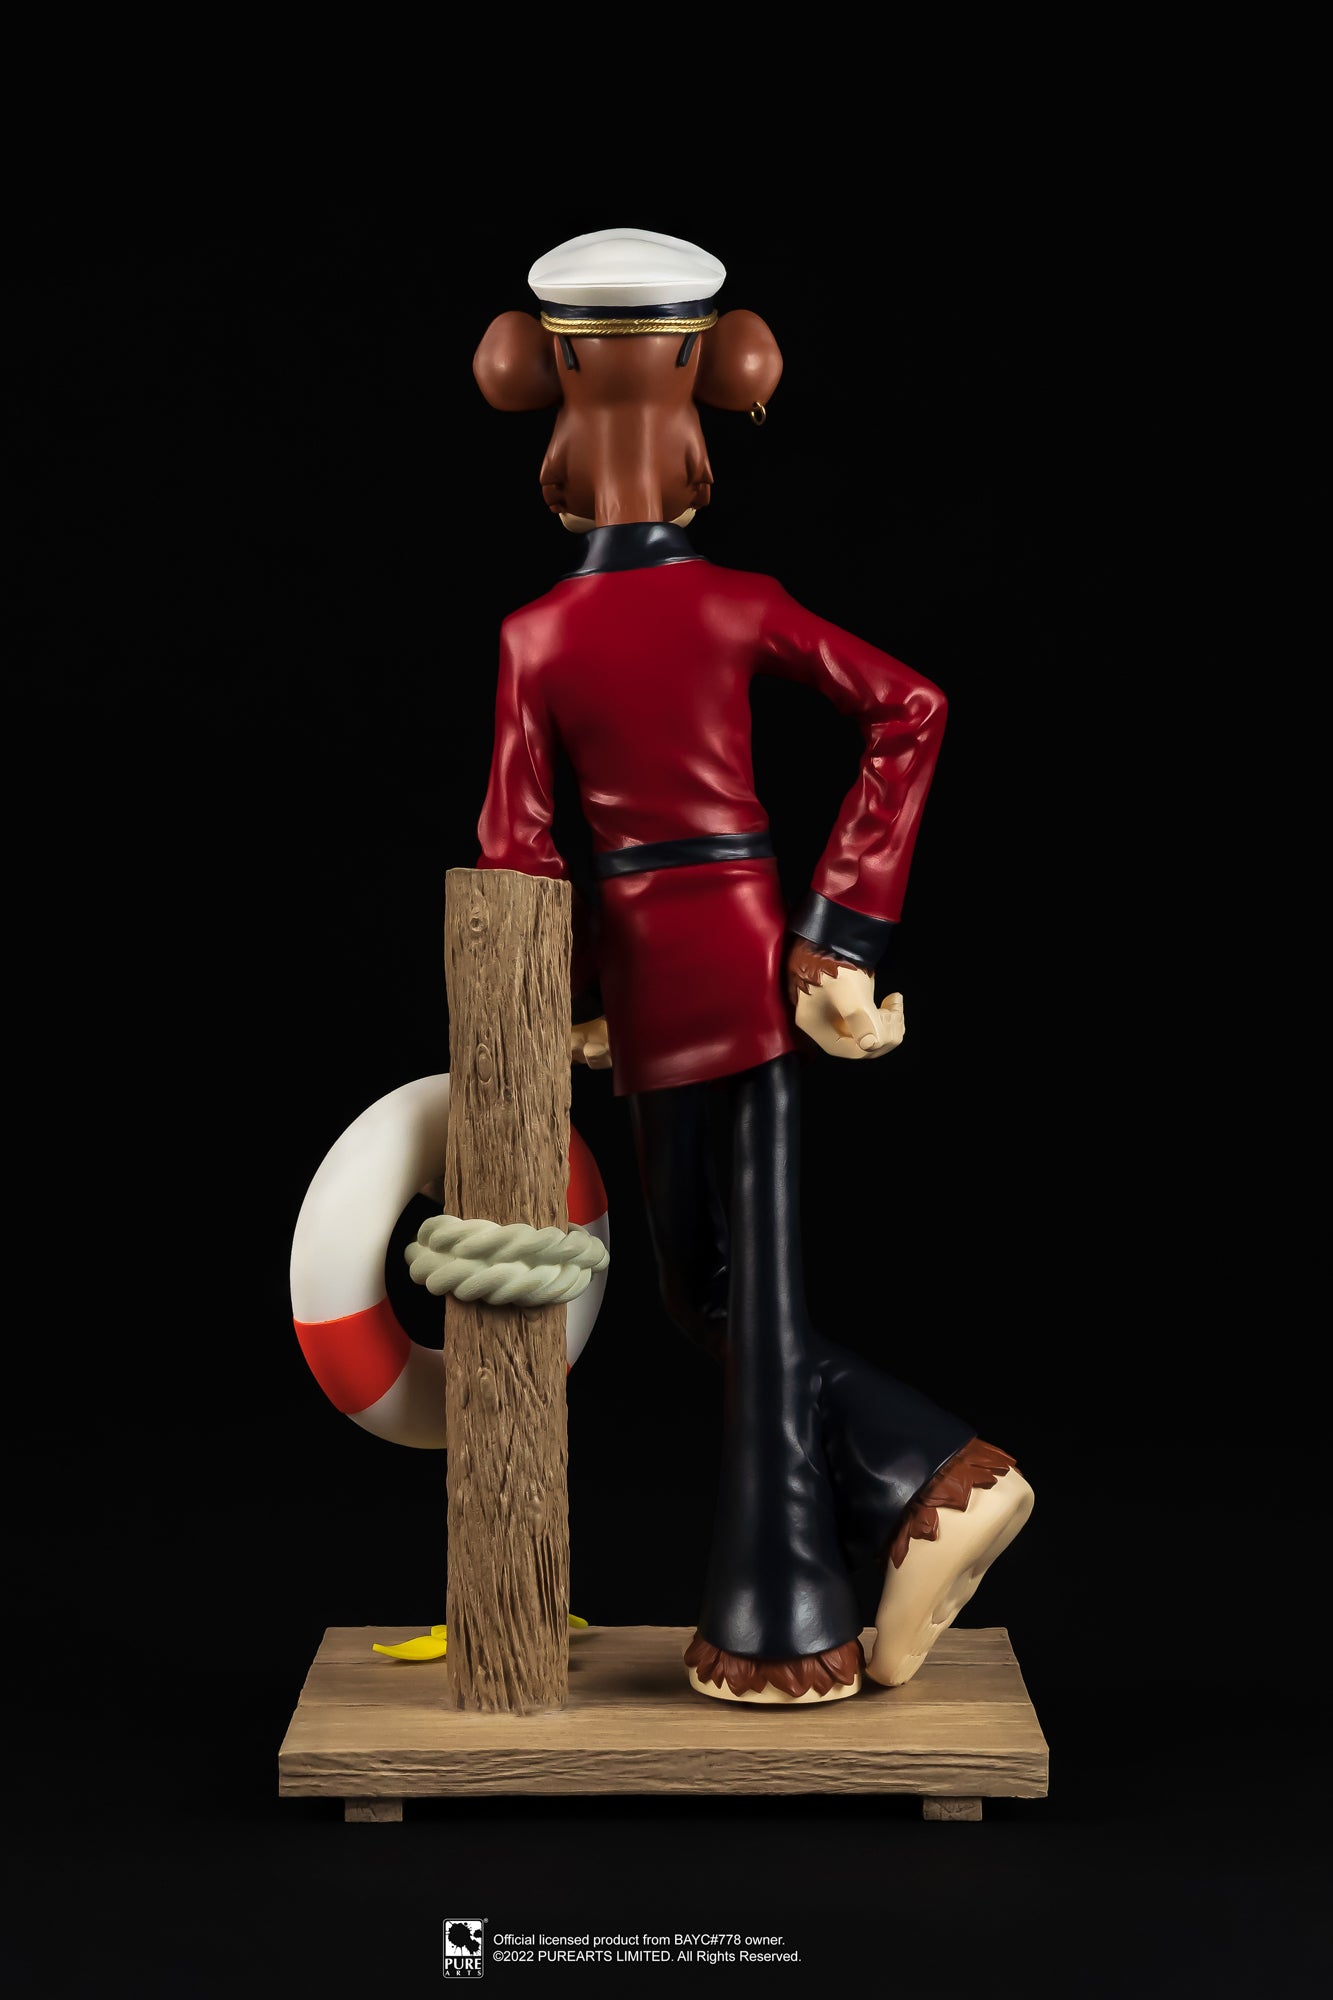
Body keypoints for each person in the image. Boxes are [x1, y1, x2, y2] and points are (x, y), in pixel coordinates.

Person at [471, 228, 1033, 1704]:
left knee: (720, 1288)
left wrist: (566, 1001)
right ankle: (924, 1480)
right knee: (722, 1287)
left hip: (659, 965)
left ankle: (801, 1607)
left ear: (536, 386)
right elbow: (908, 709)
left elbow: (517, 851)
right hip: (741, 944)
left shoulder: (536, 636)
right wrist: (837, 931)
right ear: (718, 383)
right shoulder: (738, 602)